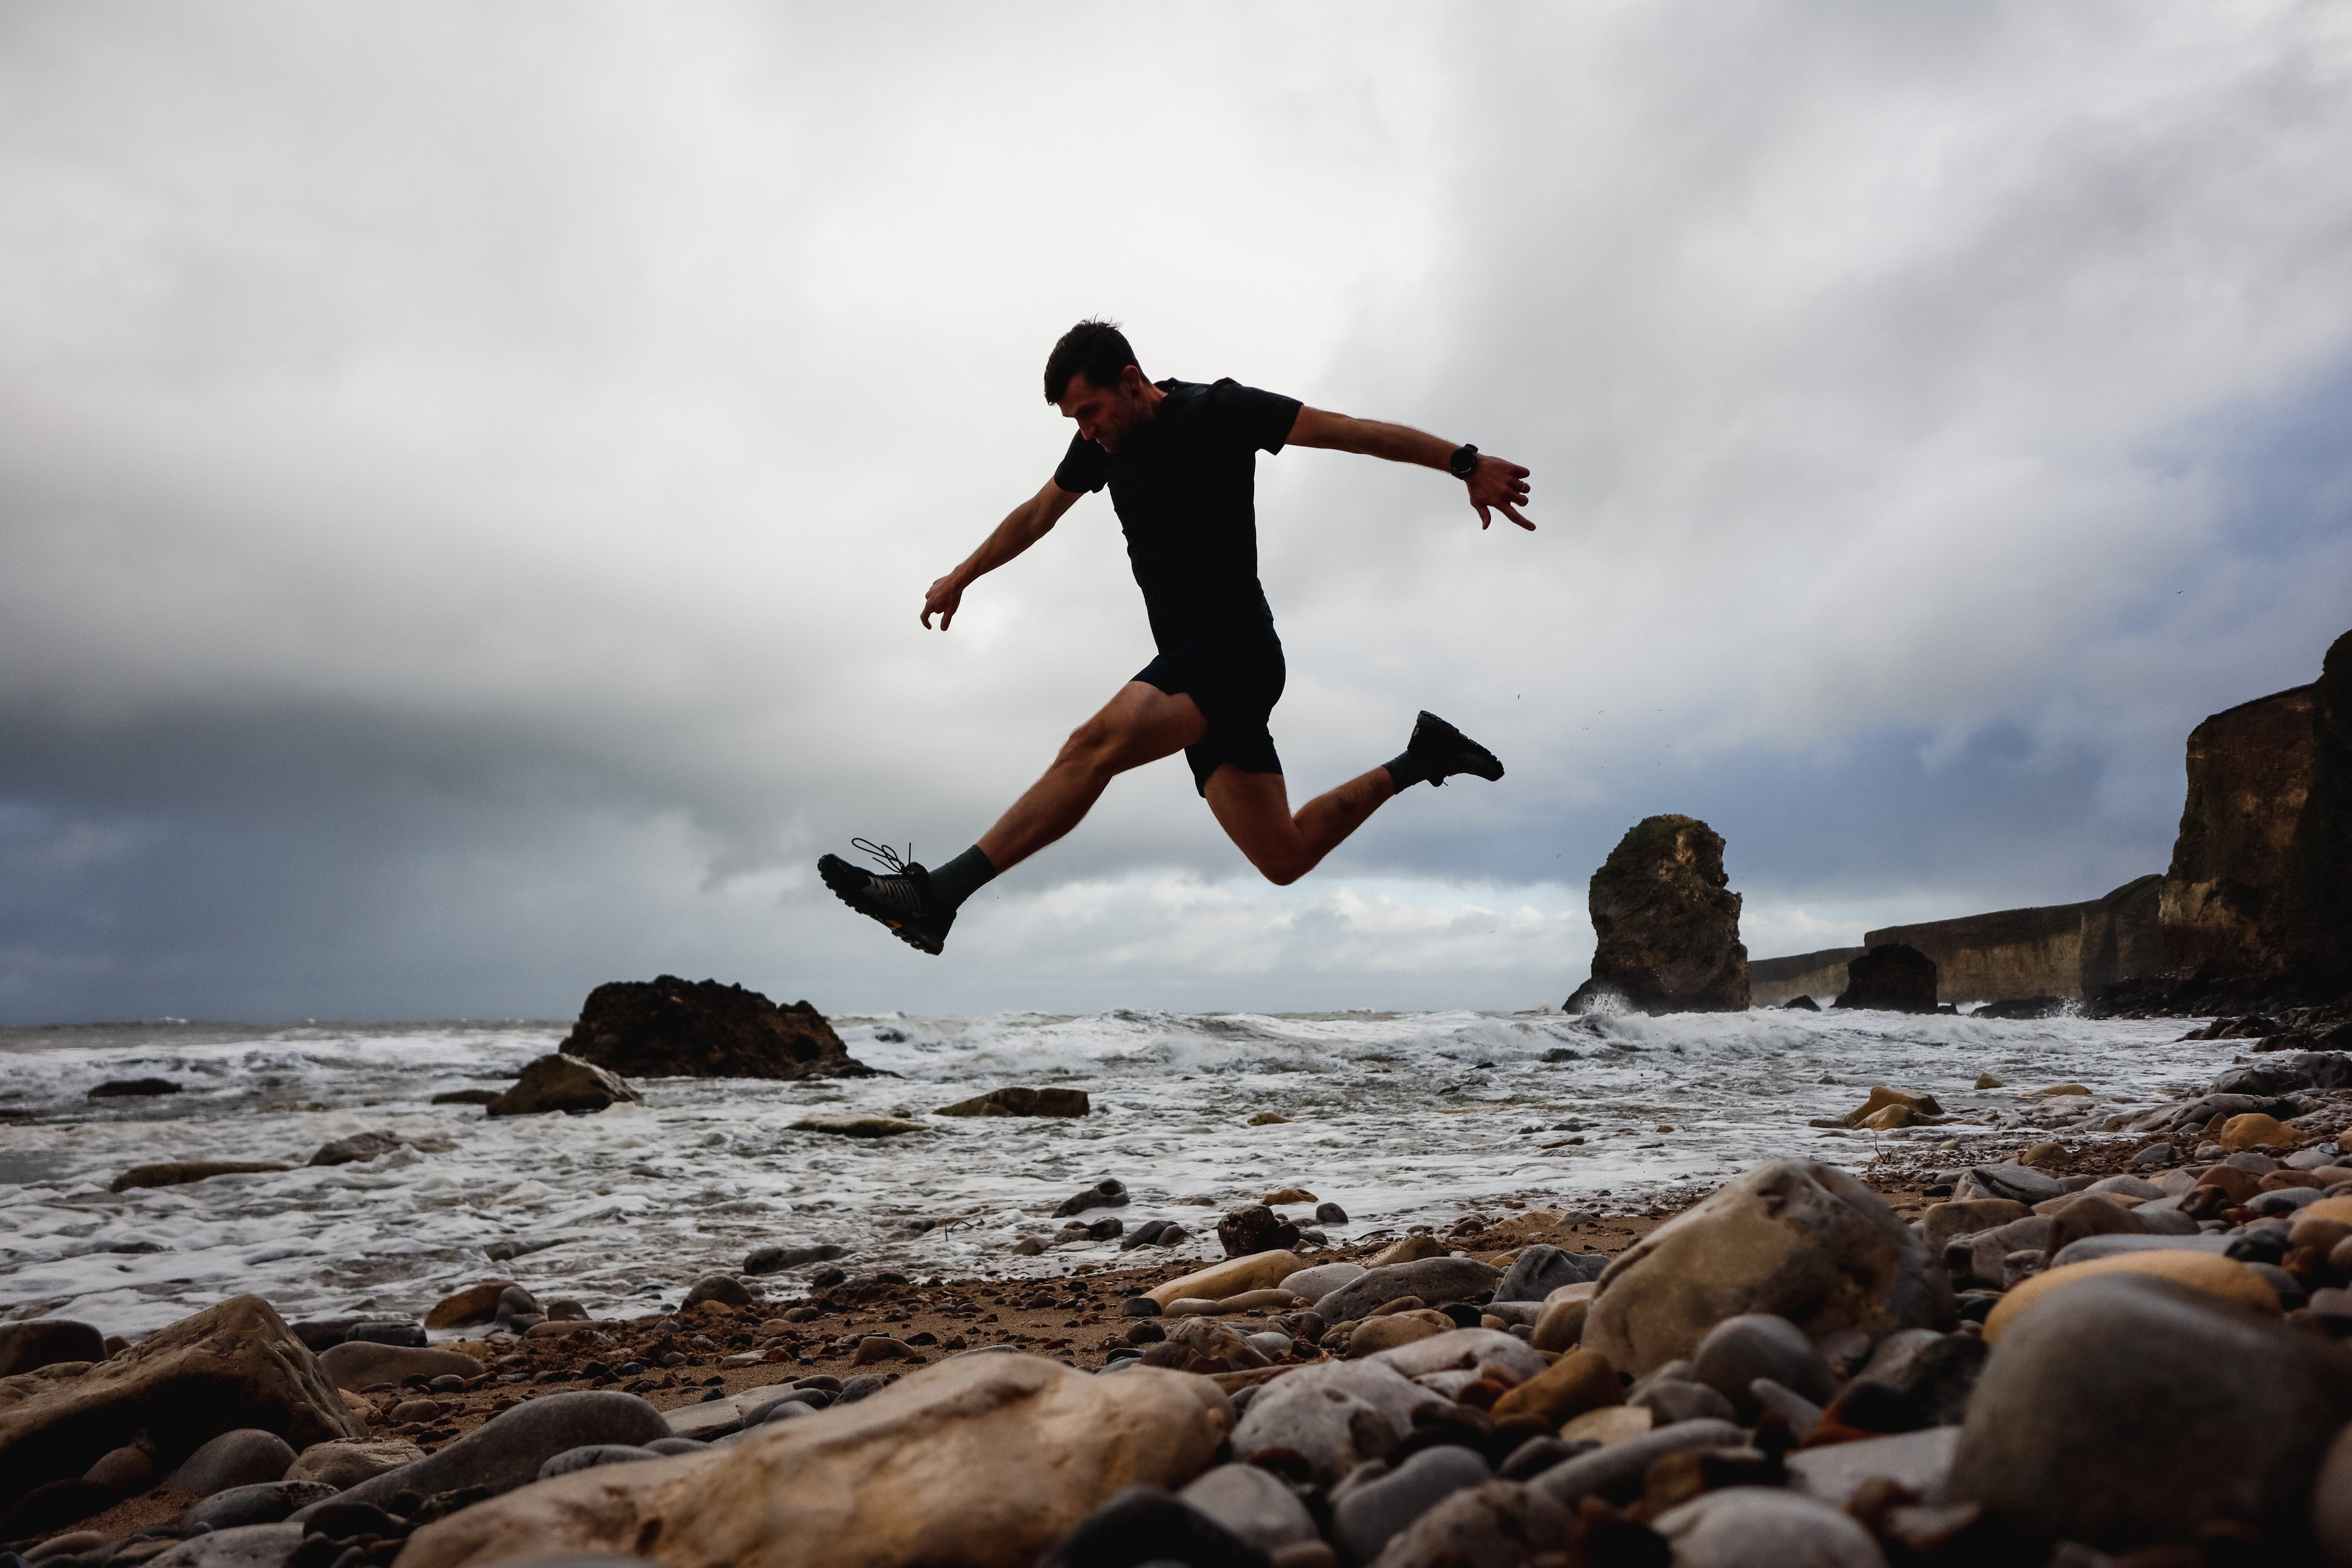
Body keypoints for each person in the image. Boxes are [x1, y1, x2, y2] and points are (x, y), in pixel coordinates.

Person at [820, 319, 1534, 955]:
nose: (1086, 429)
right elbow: (1037, 514)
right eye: (1074, 419)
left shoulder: (1218, 410)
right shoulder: (1099, 447)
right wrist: (962, 575)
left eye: (1090, 410)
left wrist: (1465, 464)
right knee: (1283, 858)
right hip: (1195, 666)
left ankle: (937, 895)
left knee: (1089, 746)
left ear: (1130, 380)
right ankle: (1423, 757)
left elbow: (1350, 430)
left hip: (1239, 648)